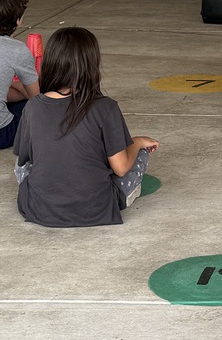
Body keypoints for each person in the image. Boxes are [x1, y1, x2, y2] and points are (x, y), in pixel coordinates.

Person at [14, 27, 159, 228]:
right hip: (97, 206)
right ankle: (130, 190)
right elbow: (121, 167)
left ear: (49, 64)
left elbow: (25, 158)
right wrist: (137, 142)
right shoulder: (106, 107)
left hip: (38, 207)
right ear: (92, 66)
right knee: (140, 154)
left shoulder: (32, 106)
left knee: (22, 166)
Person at [0, 0, 39, 149]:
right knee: (38, 108)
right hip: (2, 133)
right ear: (18, 21)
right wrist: (17, 85)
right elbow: (36, 98)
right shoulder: (17, 50)